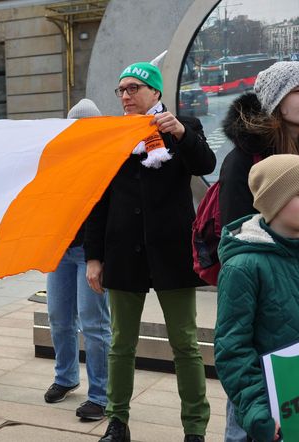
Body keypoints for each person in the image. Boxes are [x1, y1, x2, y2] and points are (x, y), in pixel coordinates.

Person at [84, 61, 214, 442]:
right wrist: (94, 257)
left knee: (185, 344)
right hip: (123, 253)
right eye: (121, 90)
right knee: (121, 343)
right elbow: (98, 201)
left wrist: (183, 134)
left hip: (171, 254)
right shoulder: (112, 136)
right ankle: (116, 422)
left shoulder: (182, 126)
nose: (126, 96)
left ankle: (195, 429)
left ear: (155, 93)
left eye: (134, 88)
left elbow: (205, 163)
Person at [218, 61, 299, 442]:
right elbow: (240, 238)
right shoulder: (243, 161)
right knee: (248, 417)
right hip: (261, 296)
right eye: (298, 91)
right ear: (278, 103)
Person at [43, 98, 111, 422]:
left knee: (94, 323)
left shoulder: (107, 160)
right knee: (58, 316)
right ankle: (66, 377)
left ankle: (101, 395)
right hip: (61, 251)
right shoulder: (61, 159)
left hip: (91, 253)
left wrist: (100, 257)